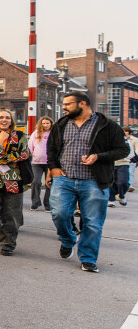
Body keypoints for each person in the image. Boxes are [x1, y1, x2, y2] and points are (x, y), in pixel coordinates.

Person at [46, 92, 130, 273]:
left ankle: (88, 259)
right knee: (59, 214)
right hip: (64, 179)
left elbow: (123, 150)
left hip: (94, 182)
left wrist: (98, 157)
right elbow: (51, 149)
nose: (64, 107)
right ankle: (68, 240)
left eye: (68, 104)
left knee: (92, 223)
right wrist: (53, 168)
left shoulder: (107, 126)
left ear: (82, 104)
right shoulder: (61, 124)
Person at [0, 108, 30, 256]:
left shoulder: (19, 135)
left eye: (7, 117)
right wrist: (1, 140)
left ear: (11, 121)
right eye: (1, 117)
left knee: (12, 213)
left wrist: (0, 159)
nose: (4, 120)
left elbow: (25, 153)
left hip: (14, 178)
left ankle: (8, 243)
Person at [28, 116, 54, 211]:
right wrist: (34, 155)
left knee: (49, 183)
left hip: (50, 163)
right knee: (36, 182)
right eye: (44, 123)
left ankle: (48, 204)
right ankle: (35, 202)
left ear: (51, 124)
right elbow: (30, 146)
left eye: (47, 123)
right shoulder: (36, 133)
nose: (45, 125)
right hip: (37, 162)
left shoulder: (53, 134)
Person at [108, 126, 135, 207]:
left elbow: (131, 153)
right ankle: (111, 199)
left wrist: (123, 157)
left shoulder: (125, 141)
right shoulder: (108, 141)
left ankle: (121, 195)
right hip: (112, 163)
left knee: (123, 182)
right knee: (111, 182)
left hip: (123, 163)